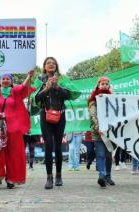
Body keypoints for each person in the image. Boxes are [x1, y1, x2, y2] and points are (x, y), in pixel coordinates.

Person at [34, 57, 81, 189]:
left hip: (60, 116)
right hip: (45, 116)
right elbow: (36, 99)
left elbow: (68, 95)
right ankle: (49, 177)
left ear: (56, 66)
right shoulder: (39, 80)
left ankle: (59, 175)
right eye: (48, 63)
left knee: (58, 147)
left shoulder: (62, 78)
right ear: (44, 66)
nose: (51, 65)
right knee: (48, 146)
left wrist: (56, 86)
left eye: (53, 63)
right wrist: (46, 88)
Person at [88, 76, 115, 188]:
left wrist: (113, 96)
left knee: (108, 155)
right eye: (102, 84)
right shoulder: (93, 99)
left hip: (111, 132)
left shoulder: (113, 99)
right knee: (100, 154)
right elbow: (92, 115)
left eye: (106, 84)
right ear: (98, 85)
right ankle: (101, 175)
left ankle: (108, 176)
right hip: (98, 132)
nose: (104, 85)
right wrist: (98, 128)